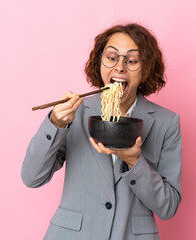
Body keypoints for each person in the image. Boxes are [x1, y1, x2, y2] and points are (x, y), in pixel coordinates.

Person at [21, 23, 182, 240]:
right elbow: (32, 178)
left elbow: (168, 206)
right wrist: (55, 123)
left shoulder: (166, 122)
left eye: (132, 60)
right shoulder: (76, 114)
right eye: (112, 57)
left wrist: (135, 163)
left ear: (145, 69)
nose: (120, 67)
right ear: (99, 63)